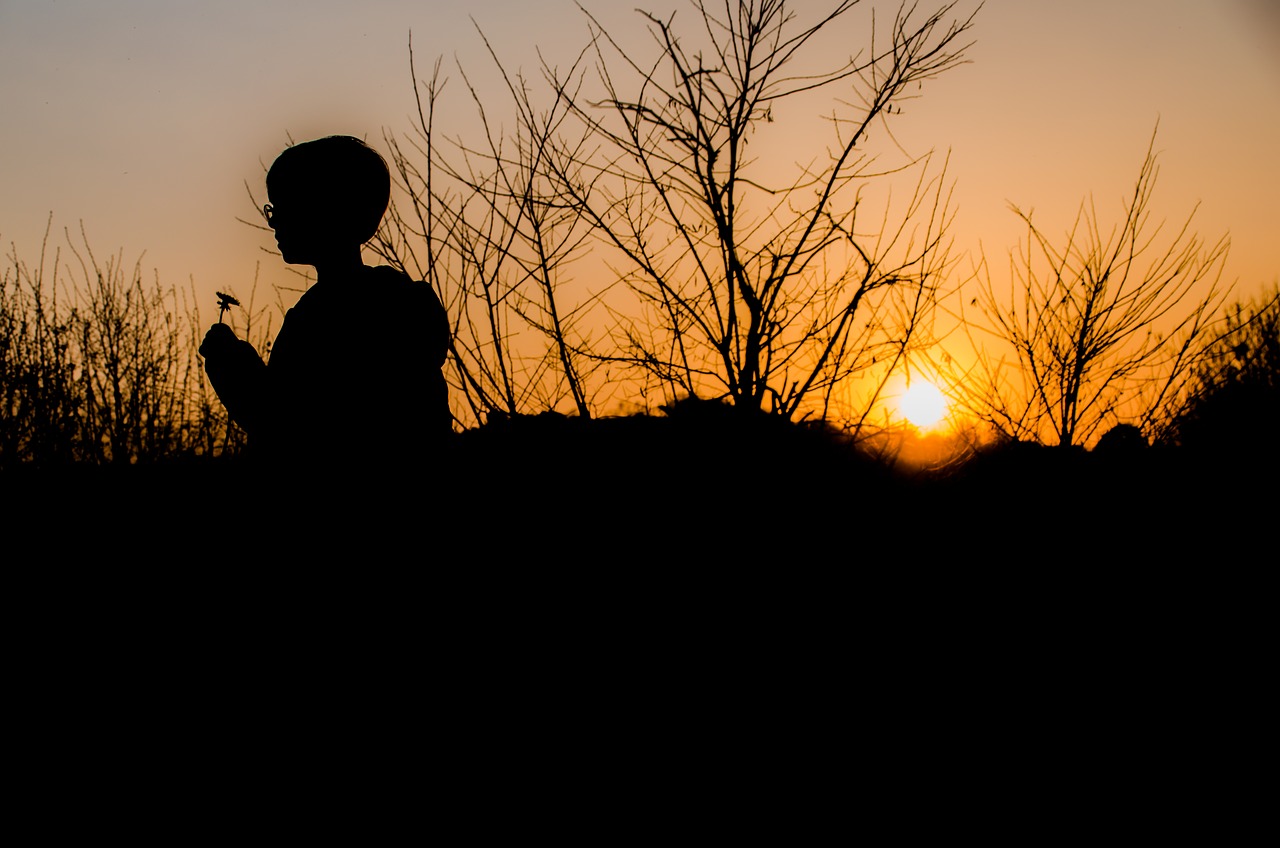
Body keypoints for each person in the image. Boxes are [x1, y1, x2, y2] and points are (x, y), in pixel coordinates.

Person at [200, 135, 450, 501]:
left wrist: (230, 364)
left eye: (283, 207)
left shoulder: (327, 318)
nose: (274, 222)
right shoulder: (396, 306)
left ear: (325, 209)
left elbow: (290, 433)